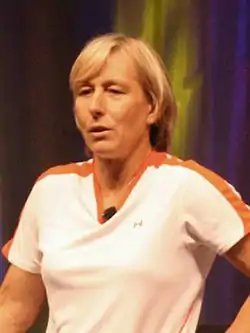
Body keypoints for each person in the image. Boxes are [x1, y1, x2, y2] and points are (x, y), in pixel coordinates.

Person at [0, 33, 249, 333]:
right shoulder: (51, 189)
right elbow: (13, 307)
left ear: (152, 108)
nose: (95, 106)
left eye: (114, 91)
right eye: (85, 91)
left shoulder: (184, 187)